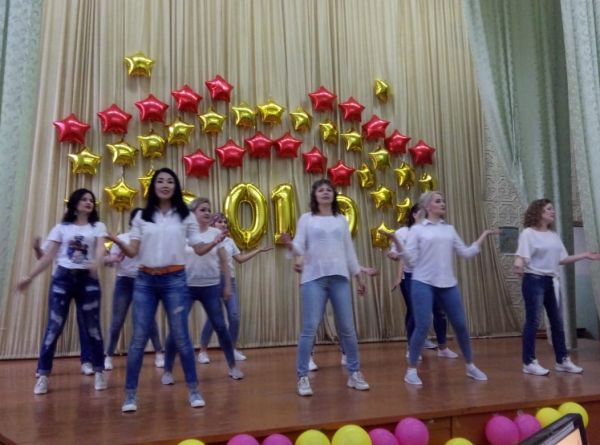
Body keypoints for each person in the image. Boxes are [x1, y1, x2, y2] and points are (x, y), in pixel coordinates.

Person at [107, 168, 224, 412]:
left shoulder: (185, 216)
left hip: (175, 280)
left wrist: (214, 241)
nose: (165, 185)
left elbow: (198, 248)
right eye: (160, 181)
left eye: (170, 181)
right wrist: (118, 241)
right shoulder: (142, 216)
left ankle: (194, 390)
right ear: (153, 186)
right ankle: (130, 395)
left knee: (181, 336)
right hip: (145, 281)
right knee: (139, 339)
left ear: (175, 186)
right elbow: (133, 251)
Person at [383, 191, 497, 386]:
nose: (443, 203)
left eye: (443, 200)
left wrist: (483, 236)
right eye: (438, 201)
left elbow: (466, 253)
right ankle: (411, 370)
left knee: (460, 325)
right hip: (422, 282)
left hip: (447, 284)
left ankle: (470, 366)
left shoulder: (449, 230)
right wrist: (396, 241)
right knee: (422, 325)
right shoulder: (417, 230)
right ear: (428, 206)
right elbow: (410, 260)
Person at [281, 178, 377, 396]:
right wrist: (289, 244)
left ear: (333, 195)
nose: (325, 193)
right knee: (309, 328)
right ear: (315, 196)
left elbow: (349, 251)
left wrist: (359, 277)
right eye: (321, 190)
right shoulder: (306, 219)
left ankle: (355, 373)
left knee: (347, 328)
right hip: (313, 278)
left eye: (328, 190)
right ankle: (302, 377)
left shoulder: (341, 220)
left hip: (339, 278)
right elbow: (299, 246)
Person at [17, 188, 108, 395]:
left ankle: (99, 371)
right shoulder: (61, 228)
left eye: (91, 200)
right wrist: (29, 277)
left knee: (93, 328)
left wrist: (96, 262)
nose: (88, 202)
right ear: (74, 204)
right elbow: (48, 256)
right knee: (54, 327)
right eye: (84, 199)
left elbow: (101, 248)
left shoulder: (98, 226)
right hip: (63, 278)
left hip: (88, 280)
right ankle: (43, 375)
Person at [161, 199, 244, 384]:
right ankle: (167, 371)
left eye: (209, 210)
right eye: (203, 210)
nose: (207, 213)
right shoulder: (183, 233)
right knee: (176, 329)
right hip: (186, 288)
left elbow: (224, 262)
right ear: (193, 214)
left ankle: (233, 366)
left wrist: (227, 286)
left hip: (211, 287)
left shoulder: (216, 233)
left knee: (221, 327)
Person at [513, 198, 600, 376]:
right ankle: (529, 362)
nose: (553, 211)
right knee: (533, 321)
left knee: (557, 323)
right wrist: (518, 264)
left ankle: (562, 360)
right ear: (538, 212)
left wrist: (585, 255)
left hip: (551, 281)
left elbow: (562, 259)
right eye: (549, 209)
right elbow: (521, 256)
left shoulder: (553, 236)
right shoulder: (528, 233)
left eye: (552, 209)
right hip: (534, 280)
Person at [197, 212, 272, 363]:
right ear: (213, 224)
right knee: (212, 318)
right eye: (220, 222)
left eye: (225, 222)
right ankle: (203, 352)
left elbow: (240, 259)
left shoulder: (230, 242)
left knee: (234, 316)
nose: (223, 224)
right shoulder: (206, 239)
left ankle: (232, 349)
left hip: (229, 281)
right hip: (213, 282)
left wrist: (258, 250)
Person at [387, 204, 457, 359]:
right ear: (413, 215)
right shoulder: (403, 232)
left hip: (433, 277)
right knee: (415, 311)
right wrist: (393, 255)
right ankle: (412, 348)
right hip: (411, 277)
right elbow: (396, 252)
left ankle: (442, 347)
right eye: (421, 214)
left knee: (439, 311)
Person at [103, 207, 164, 371]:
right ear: (132, 221)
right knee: (117, 320)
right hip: (124, 281)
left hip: (144, 281)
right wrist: (111, 259)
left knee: (149, 320)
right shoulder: (122, 238)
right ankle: (108, 355)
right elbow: (110, 262)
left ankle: (159, 352)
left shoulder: (150, 239)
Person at [32, 237, 96, 376]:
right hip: (61, 281)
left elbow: (97, 254)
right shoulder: (59, 230)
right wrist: (36, 248)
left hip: (84, 281)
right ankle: (43, 368)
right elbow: (42, 257)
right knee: (54, 326)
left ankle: (87, 361)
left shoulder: (90, 231)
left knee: (86, 323)